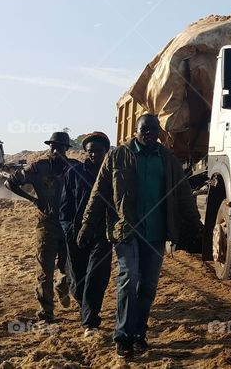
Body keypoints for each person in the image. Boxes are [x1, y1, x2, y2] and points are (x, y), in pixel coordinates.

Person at [77, 114, 202, 359]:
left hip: (156, 233)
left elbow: (184, 195)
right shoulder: (117, 156)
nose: (149, 134)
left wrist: (195, 226)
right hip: (126, 230)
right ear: (135, 130)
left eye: (154, 130)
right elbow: (98, 194)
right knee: (128, 277)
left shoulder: (167, 160)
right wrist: (86, 226)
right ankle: (122, 336)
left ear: (159, 132)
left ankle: (139, 333)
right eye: (144, 129)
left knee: (148, 285)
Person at [5, 131, 78, 324]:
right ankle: (46, 312)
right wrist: (33, 199)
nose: (55, 151)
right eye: (52, 147)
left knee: (69, 267)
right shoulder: (38, 168)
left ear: (66, 150)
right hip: (46, 224)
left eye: (59, 147)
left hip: (69, 225)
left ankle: (62, 286)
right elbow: (9, 182)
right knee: (44, 270)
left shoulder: (75, 168)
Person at [60, 132, 113, 338]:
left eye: (98, 151)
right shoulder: (73, 173)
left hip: (102, 234)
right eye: (90, 151)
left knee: (96, 276)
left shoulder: (112, 174)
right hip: (76, 233)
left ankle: (90, 322)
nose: (94, 155)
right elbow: (65, 207)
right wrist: (68, 229)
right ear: (85, 152)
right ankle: (83, 304)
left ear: (105, 152)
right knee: (78, 278)